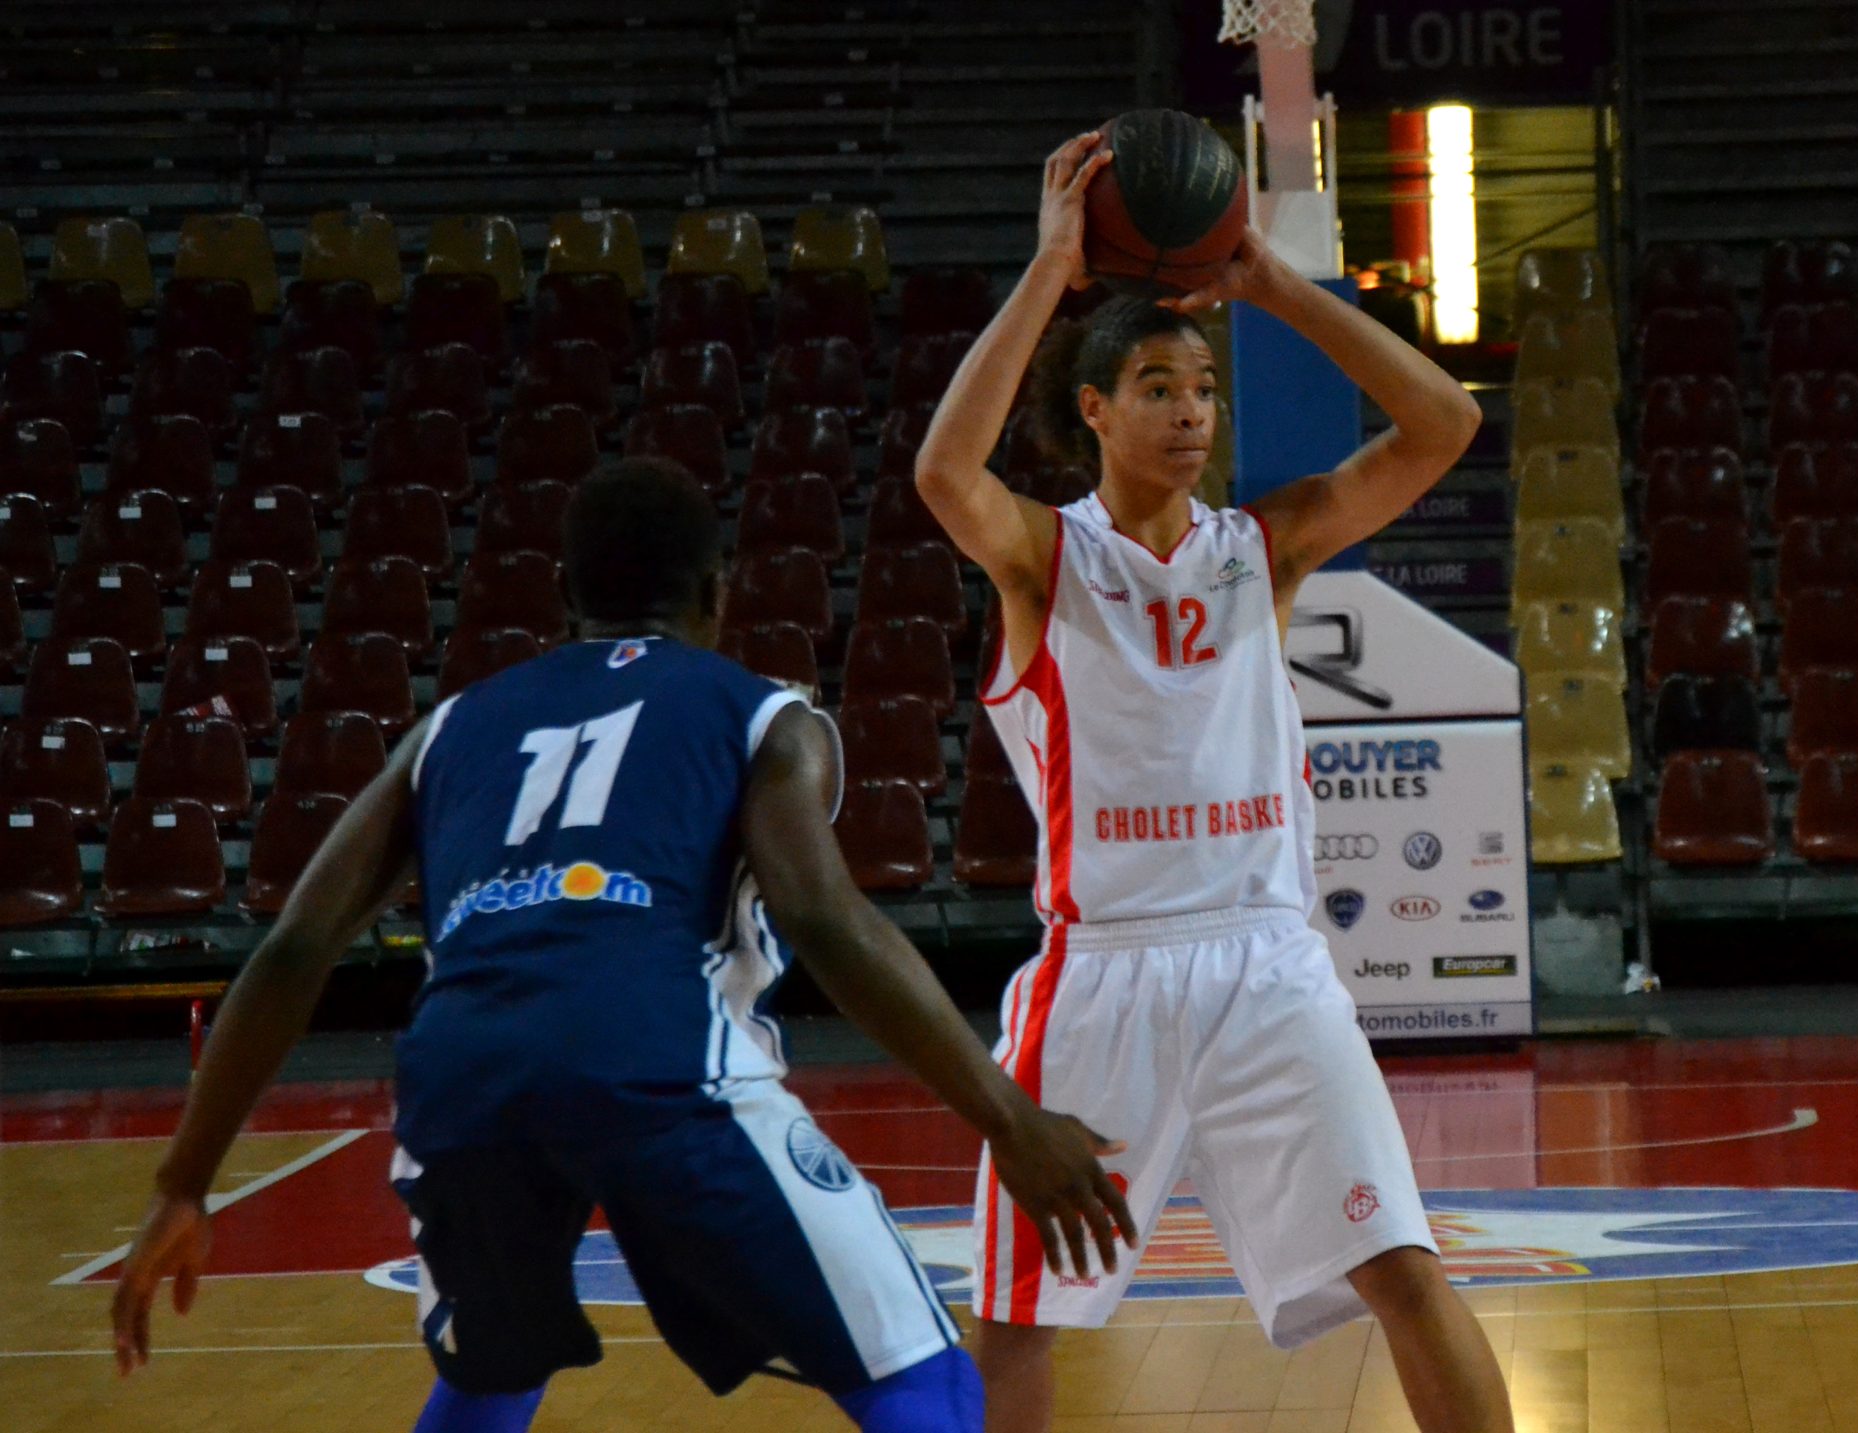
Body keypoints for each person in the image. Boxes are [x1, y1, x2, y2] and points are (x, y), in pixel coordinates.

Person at [108, 458, 1137, 1433]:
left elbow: (294, 947)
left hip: (461, 1080)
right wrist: (1006, 1118)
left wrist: (183, 1180)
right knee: (920, 1371)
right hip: (657, 1062)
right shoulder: (766, 717)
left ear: (564, 591)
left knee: (492, 1368)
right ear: (715, 591)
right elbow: (825, 919)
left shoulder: (451, 726)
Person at [912, 132, 1514, 1433]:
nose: (1188, 411)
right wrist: (1046, 271)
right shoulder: (1039, 558)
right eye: (1152, 385)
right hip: (1101, 972)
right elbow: (942, 475)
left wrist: (1268, 280)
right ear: (1093, 410)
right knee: (1016, 1317)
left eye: (1202, 388)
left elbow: (1445, 421)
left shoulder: (1267, 546)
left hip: (1265, 965)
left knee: (1404, 1268)